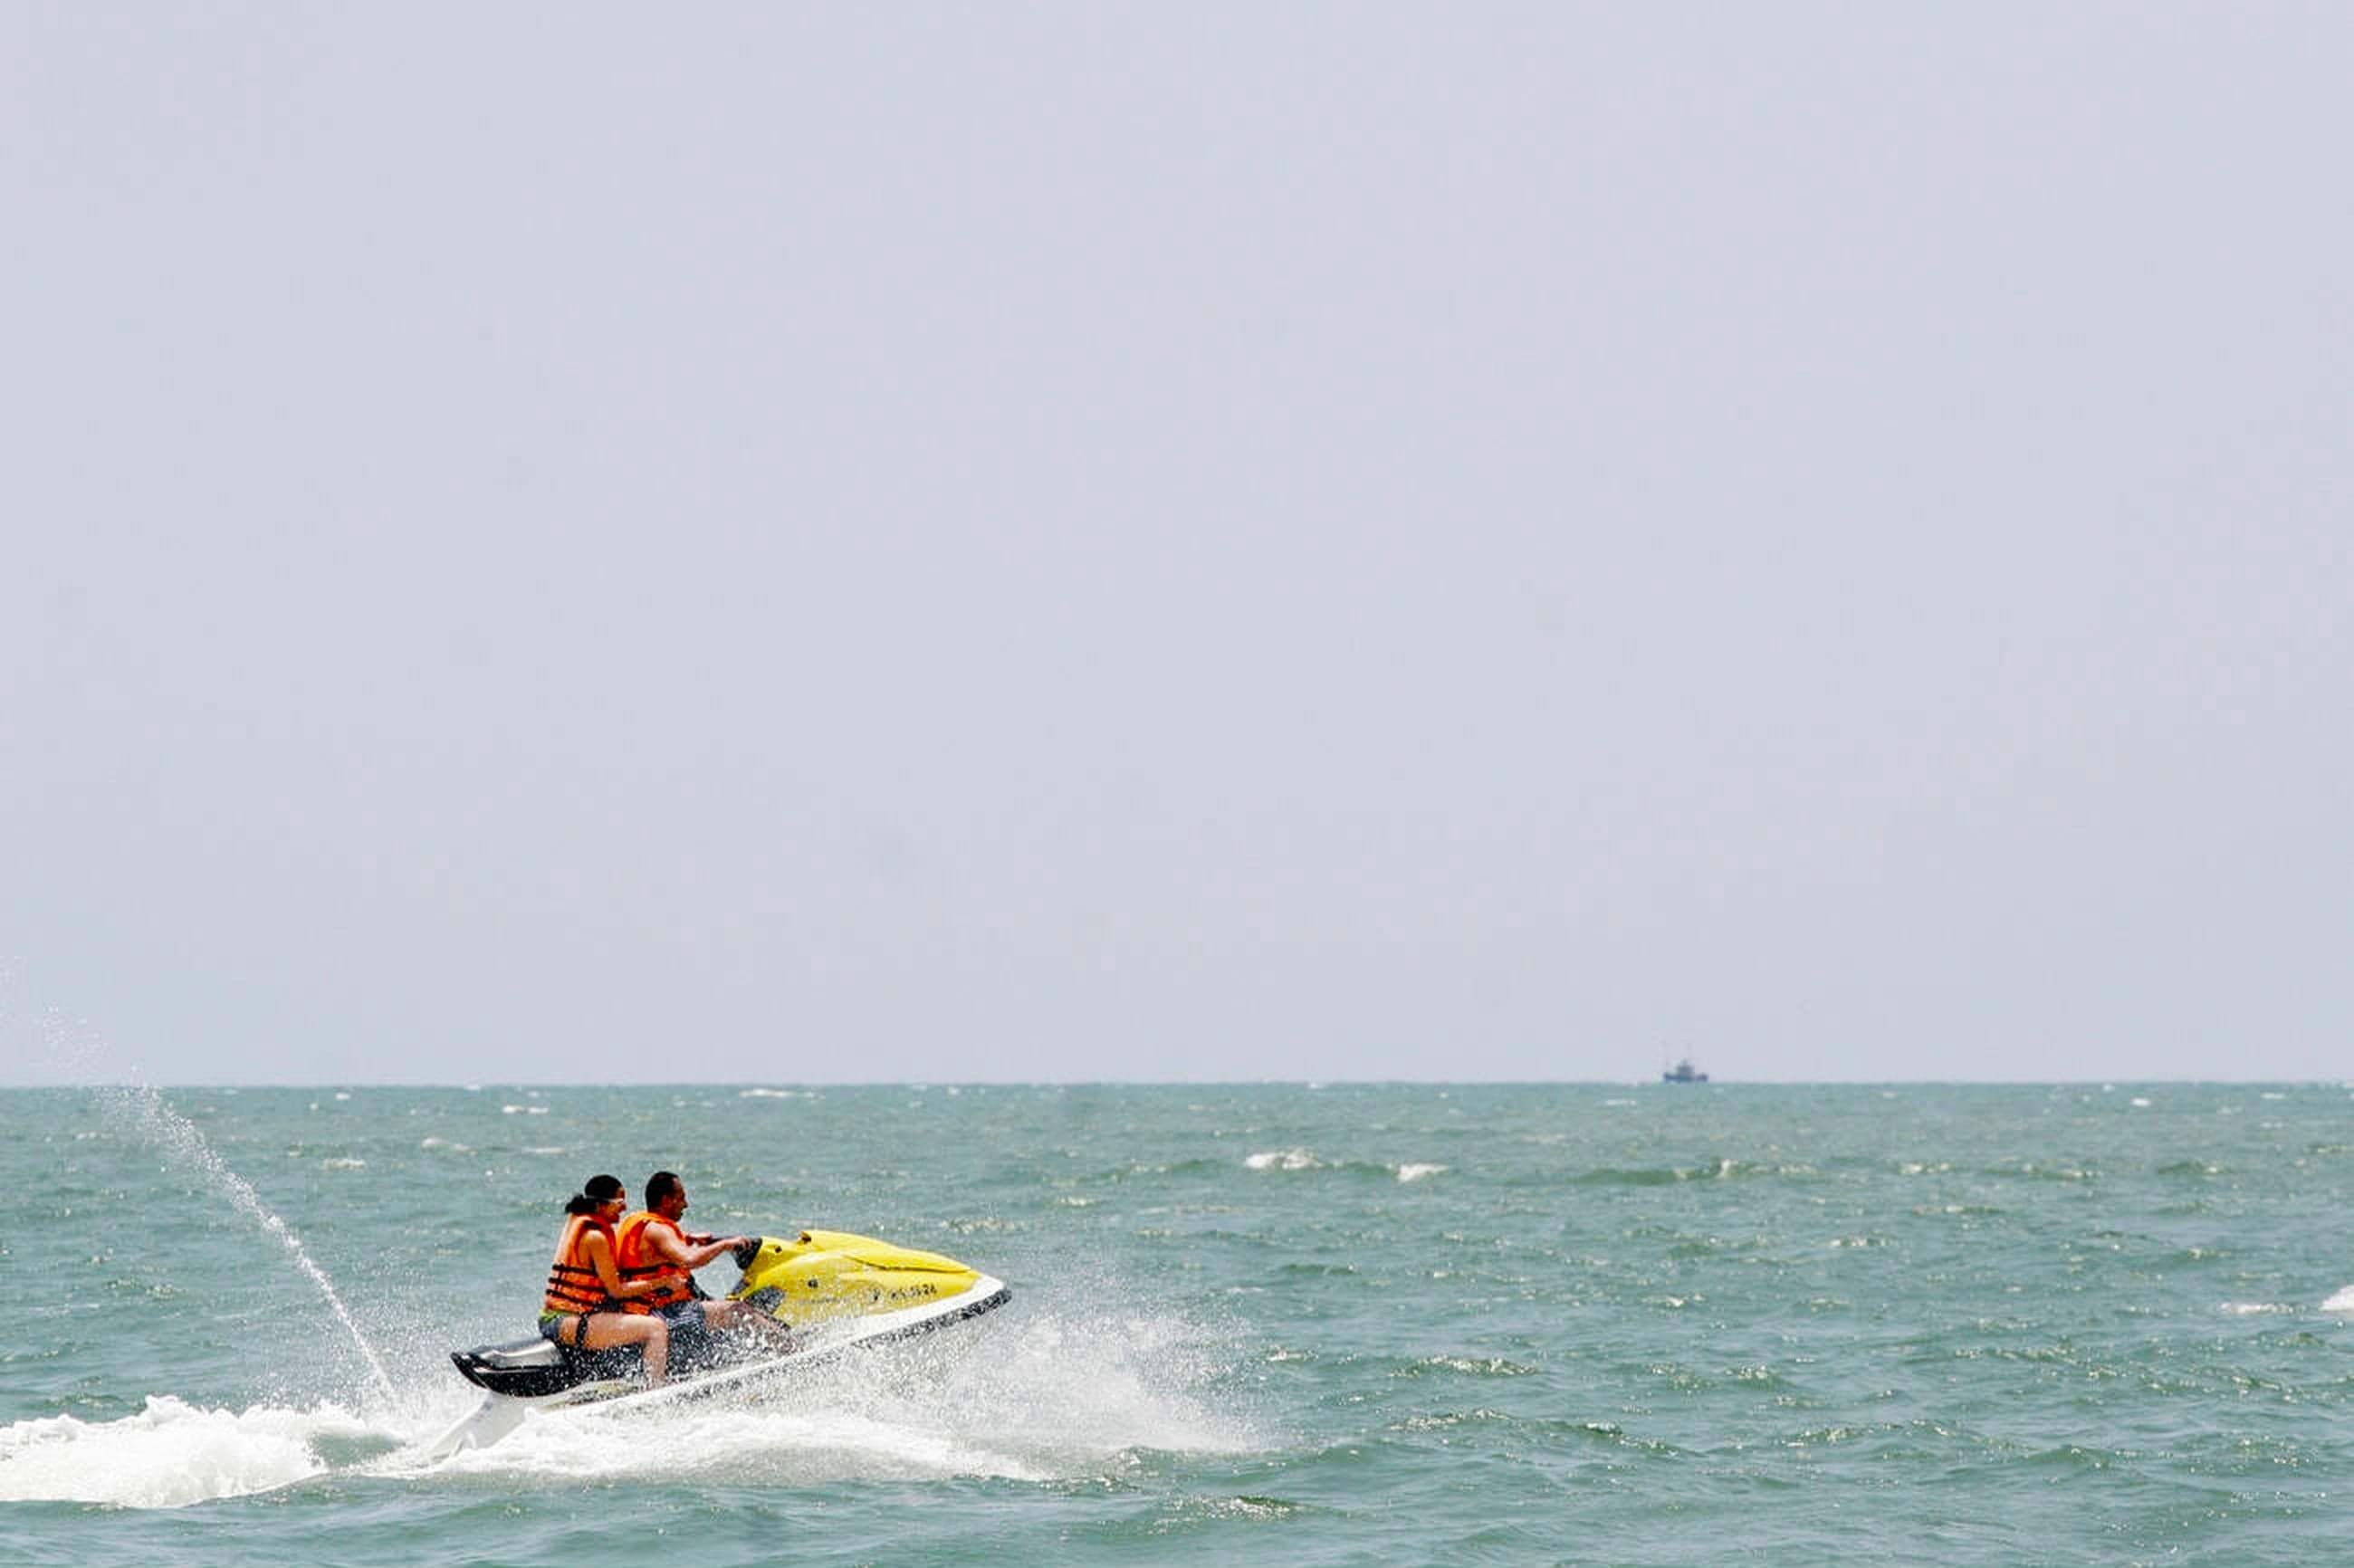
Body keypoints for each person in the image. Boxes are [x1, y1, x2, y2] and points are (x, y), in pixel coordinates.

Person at [614, 1171, 789, 1353]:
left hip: (648, 1310)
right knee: (738, 1311)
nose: (686, 1204)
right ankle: (794, 1353)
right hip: (663, 1313)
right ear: (666, 1201)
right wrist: (724, 1245)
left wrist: (689, 1240)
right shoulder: (657, 1231)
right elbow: (689, 1259)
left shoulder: (644, 1225)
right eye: (681, 1198)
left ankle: (770, 1347)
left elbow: (658, 1255)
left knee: (732, 1311)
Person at [541, 1173, 682, 1385]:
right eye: (619, 1203)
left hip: (557, 1318)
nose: (624, 1208)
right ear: (600, 1206)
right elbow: (617, 1290)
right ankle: (656, 1392)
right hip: (569, 1321)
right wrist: (664, 1281)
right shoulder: (595, 1237)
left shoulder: (578, 1222)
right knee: (655, 1328)